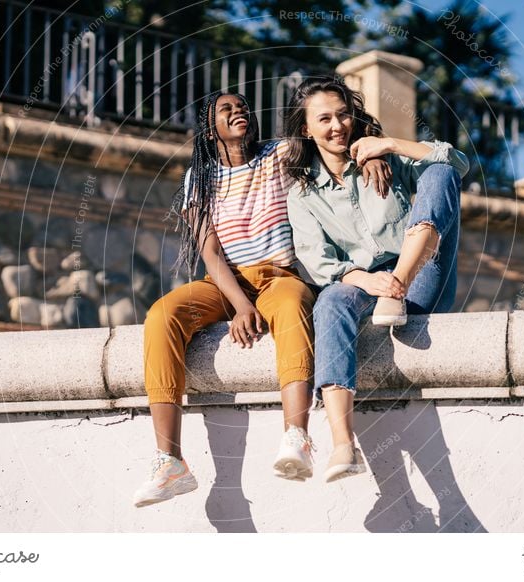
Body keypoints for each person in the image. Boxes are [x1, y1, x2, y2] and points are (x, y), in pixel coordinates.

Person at [133, 91, 391, 506]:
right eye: (227, 109)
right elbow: (210, 251)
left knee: (291, 307)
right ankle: (170, 460)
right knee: (162, 314)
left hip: (280, 276)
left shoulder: (281, 154)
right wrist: (240, 305)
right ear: (208, 127)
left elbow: (335, 133)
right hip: (225, 283)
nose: (240, 112)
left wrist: (370, 153)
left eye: (244, 107)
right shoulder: (197, 178)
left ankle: (297, 436)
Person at [282, 76, 469, 483]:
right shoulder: (302, 193)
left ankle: (399, 282)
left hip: (420, 275)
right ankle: (343, 446)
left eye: (344, 114)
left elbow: (457, 164)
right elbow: (317, 260)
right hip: (367, 287)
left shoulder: (385, 161)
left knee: (439, 175)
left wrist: (391, 145)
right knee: (331, 299)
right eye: (325, 118)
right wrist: (369, 282)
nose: (337, 126)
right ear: (306, 129)